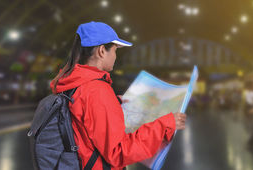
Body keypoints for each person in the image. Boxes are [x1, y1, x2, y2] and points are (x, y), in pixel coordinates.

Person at [50, 21, 187, 169]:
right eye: (115, 50)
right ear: (102, 51)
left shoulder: (72, 83)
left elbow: (81, 116)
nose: (115, 56)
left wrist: (113, 104)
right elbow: (119, 152)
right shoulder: (97, 90)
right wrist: (164, 125)